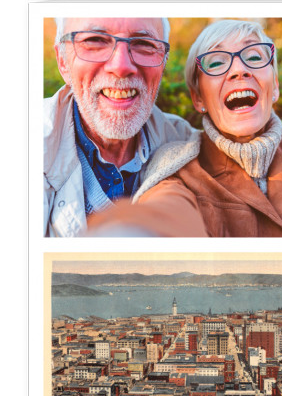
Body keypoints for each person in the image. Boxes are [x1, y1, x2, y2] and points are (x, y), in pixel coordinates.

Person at [87, 19, 282, 237]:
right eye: (216, 62)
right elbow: (166, 211)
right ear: (198, 98)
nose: (239, 70)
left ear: (274, 85)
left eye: (254, 57)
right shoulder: (177, 170)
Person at [44, 17, 199, 237]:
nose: (121, 67)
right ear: (62, 61)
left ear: (163, 62)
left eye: (144, 44)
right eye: (95, 40)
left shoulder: (187, 145)